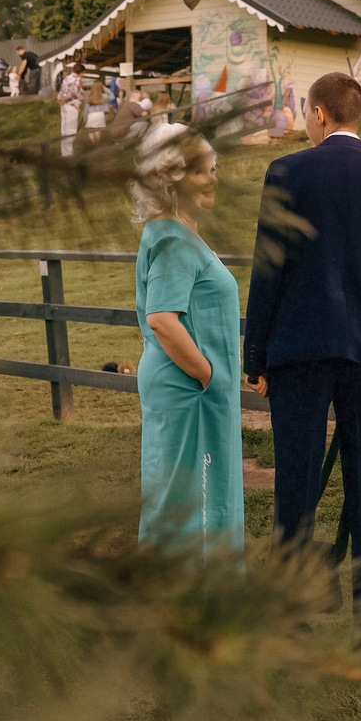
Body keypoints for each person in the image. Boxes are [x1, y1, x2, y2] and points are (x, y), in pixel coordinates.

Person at [244, 71, 361, 604]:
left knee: (294, 485)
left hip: (298, 350)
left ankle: (292, 607)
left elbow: (268, 269)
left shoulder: (286, 171)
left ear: (319, 114)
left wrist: (257, 356)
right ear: (358, 114)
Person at [131, 127, 243, 550]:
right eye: (202, 172)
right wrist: (208, 374)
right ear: (172, 177)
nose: (213, 179)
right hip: (188, 388)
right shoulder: (174, 239)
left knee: (191, 497)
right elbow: (162, 318)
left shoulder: (178, 230)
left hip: (192, 387)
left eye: (214, 169)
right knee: (188, 502)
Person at [57, 64, 82, 158]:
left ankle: (64, 152)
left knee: (64, 128)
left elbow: (61, 90)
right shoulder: (77, 79)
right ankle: (68, 153)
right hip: (72, 105)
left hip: (63, 105)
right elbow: (73, 92)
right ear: (81, 72)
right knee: (71, 130)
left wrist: (60, 99)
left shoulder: (66, 78)